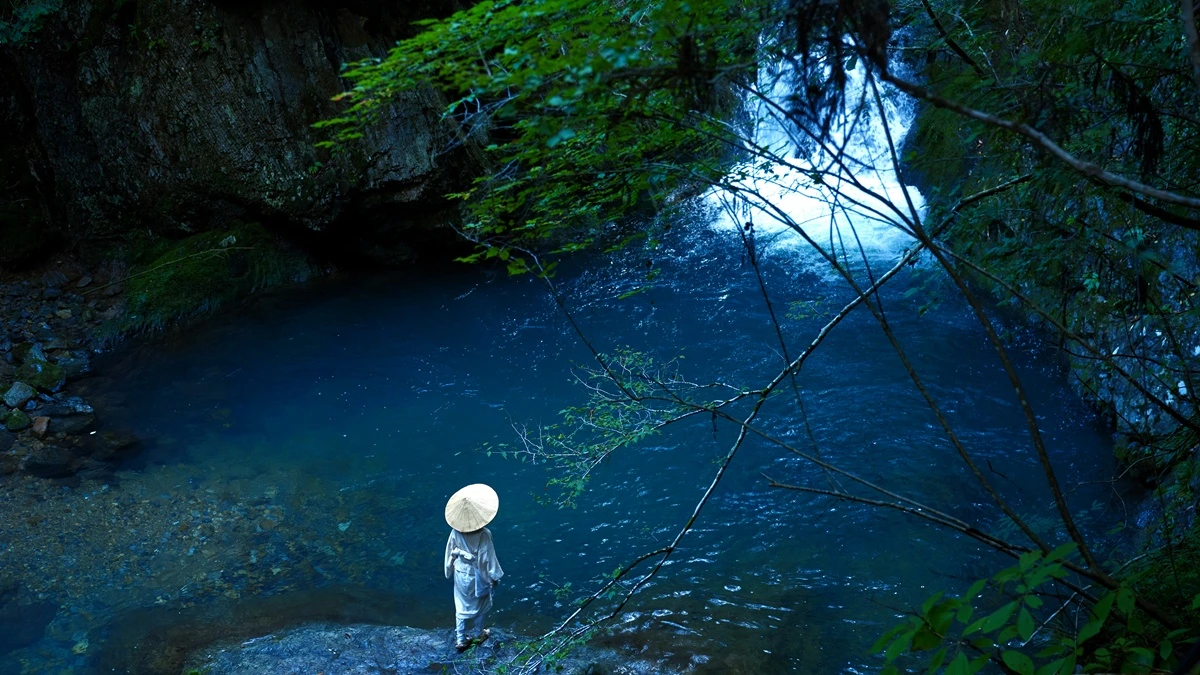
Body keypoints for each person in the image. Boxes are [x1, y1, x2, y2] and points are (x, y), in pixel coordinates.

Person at [443, 483, 504, 652]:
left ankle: (461, 639)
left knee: (461, 604)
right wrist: (494, 577)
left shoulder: (455, 531)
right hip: (477, 574)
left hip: (461, 572)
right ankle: (478, 633)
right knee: (482, 602)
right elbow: (487, 559)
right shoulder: (484, 534)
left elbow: (449, 553)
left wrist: (449, 569)